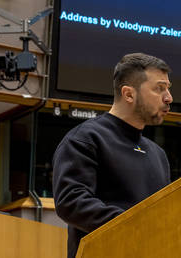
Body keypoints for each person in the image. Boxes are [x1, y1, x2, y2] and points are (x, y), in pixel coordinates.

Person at [52, 53, 173, 258]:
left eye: (168, 89)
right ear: (128, 94)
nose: (169, 97)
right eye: (159, 88)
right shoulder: (86, 139)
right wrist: (137, 225)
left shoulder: (158, 154)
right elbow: (71, 202)